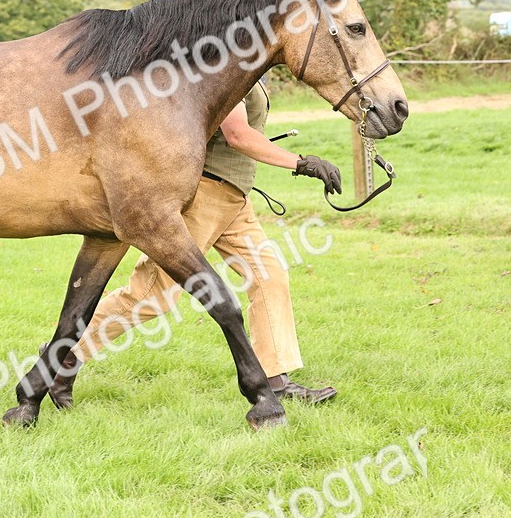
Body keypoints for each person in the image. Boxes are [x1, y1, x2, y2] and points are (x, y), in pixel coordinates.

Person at [46, 79, 343, 408]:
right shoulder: (229, 66)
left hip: (234, 199)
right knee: (151, 295)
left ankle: (275, 379)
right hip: (204, 195)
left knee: (269, 276)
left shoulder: (253, 66)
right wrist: (301, 163)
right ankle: (62, 359)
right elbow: (237, 135)